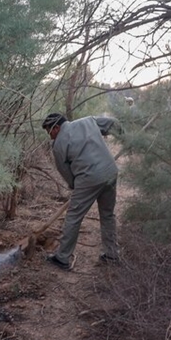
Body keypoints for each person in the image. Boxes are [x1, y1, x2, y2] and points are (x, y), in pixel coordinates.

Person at [41, 112, 122, 270]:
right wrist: (124, 136)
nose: (49, 136)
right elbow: (112, 123)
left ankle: (62, 258)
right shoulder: (88, 121)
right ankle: (112, 254)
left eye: (49, 131)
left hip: (88, 178)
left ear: (56, 128)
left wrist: (76, 186)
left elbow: (66, 172)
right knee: (107, 214)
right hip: (110, 171)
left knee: (73, 217)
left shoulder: (58, 145)